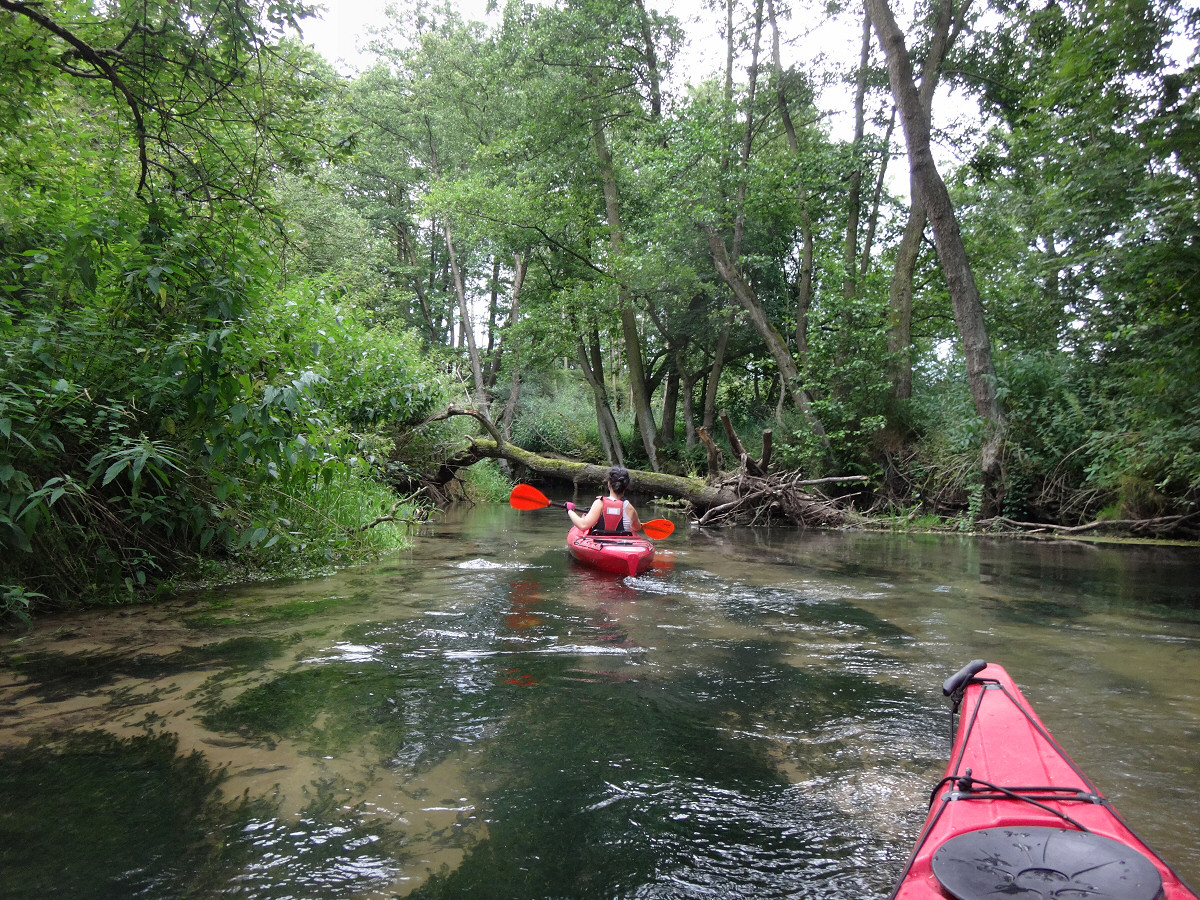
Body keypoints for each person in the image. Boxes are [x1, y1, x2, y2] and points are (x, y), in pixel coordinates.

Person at [566, 466, 643, 536]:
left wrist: (570, 510)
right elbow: (637, 528)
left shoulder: (600, 503)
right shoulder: (630, 508)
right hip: (622, 545)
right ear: (626, 486)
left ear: (609, 483)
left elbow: (583, 525)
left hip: (599, 544)